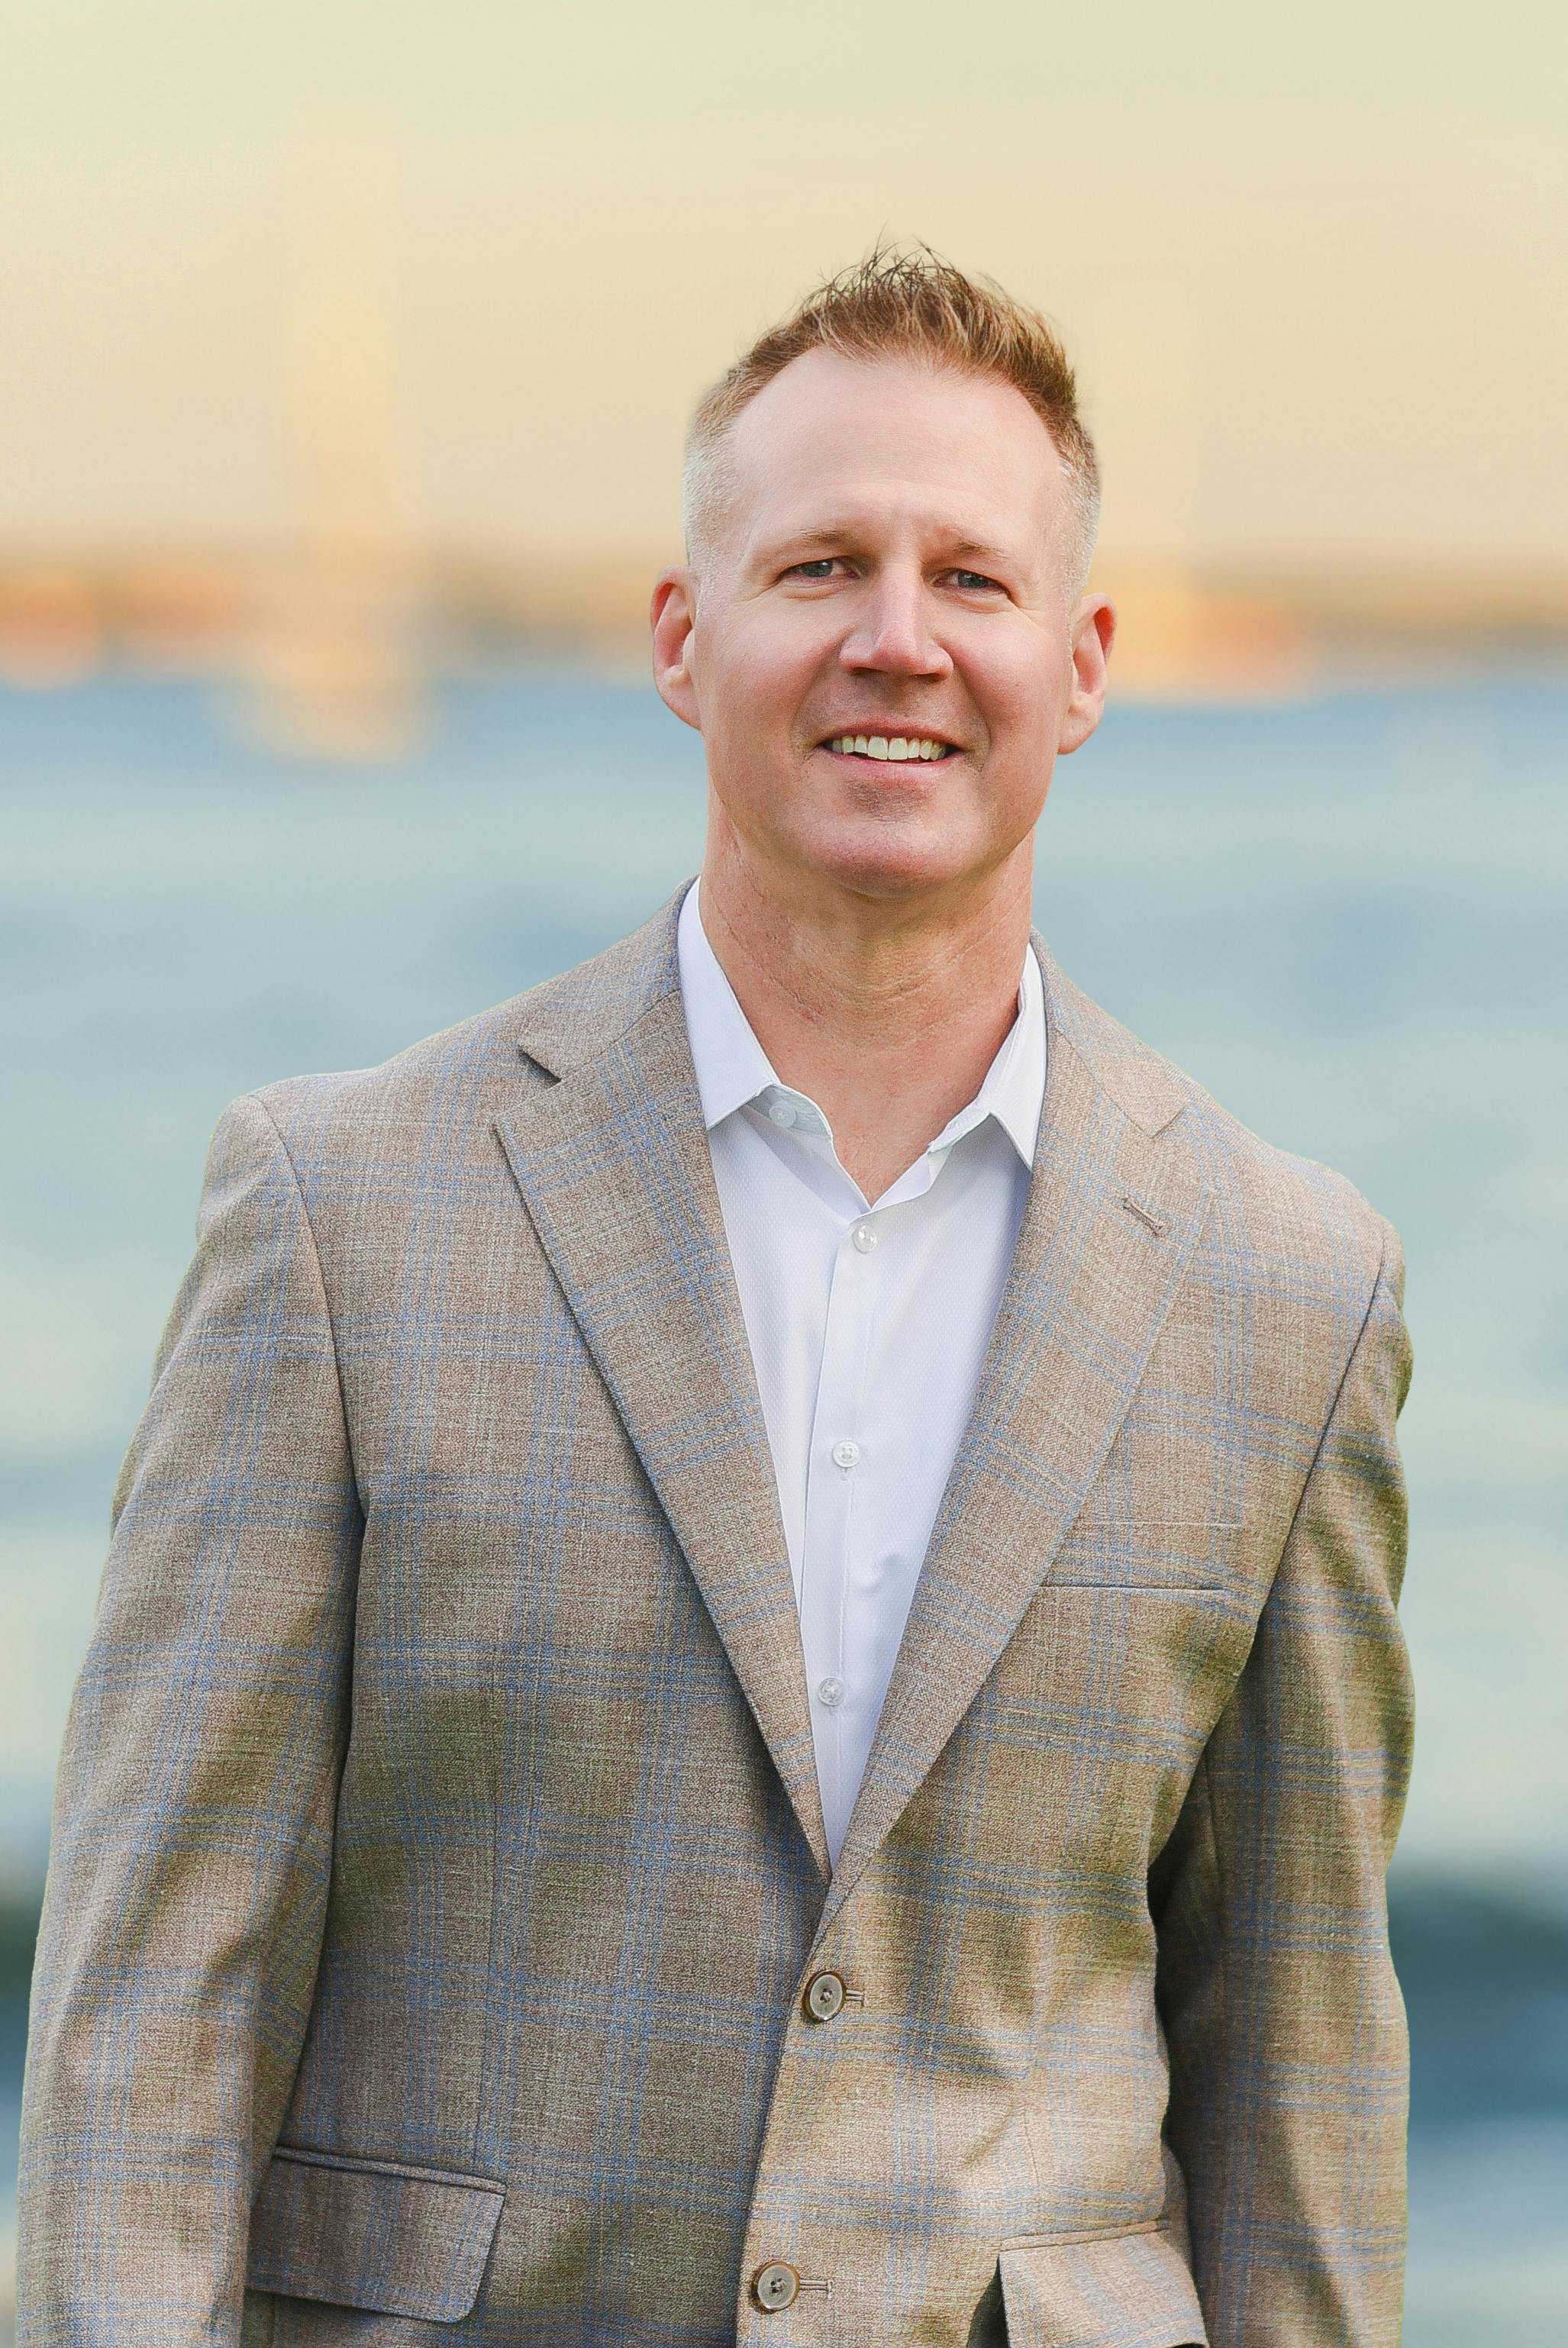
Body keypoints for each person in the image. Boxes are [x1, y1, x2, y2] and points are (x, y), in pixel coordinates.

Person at [18, 250, 1413, 2348]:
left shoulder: (1286, 1293)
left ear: (1082, 663)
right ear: (685, 638)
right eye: (821, 565)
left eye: (972, 577)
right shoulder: (339, 1217)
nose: (897, 638)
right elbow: (148, 2016)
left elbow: (1300, 2078)